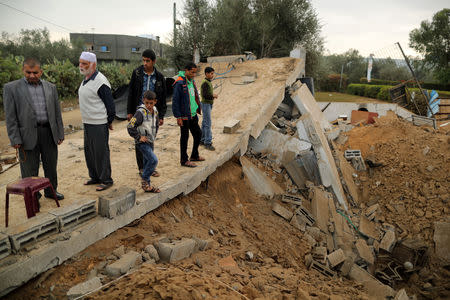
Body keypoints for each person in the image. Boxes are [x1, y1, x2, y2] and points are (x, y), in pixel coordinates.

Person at [3, 57, 65, 201]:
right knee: (29, 169)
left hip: (48, 133)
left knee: (51, 165)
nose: (31, 75)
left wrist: (60, 133)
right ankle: (32, 196)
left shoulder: (51, 87)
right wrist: (15, 138)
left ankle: (51, 191)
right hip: (26, 135)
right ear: (23, 70)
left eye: (35, 72)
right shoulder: (11, 88)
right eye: (28, 72)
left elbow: (57, 113)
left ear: (41, 72)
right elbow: (10, 117)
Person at [78, 51, 115, 191]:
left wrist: (109, 120)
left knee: (101, 152)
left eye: (84, 64)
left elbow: (110, 104)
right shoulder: (86, 78)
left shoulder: (101, 81)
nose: (81, 66)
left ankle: (106, 180)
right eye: (80, 63)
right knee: (90, 152)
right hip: (88, 123)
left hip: (99, 123)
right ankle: (94, 177)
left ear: (93, 65)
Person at [127, 49, 166, 177]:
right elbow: (131, 92)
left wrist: (162, 115)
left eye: (147, 61)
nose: (145, 63)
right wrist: (129, 112)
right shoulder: (137, 73)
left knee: (150, 139)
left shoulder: (159, 77)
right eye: (143, 60)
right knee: (139, 140)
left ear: (153, 61)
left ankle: (150, 167)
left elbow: (163, 96)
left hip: (152, 113)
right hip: (139, 112)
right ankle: (142, 168)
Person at [172, 62, 204, 167]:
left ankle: (194, 155)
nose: (193, 74)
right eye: (191, 72)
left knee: (198, 134)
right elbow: (175, 101)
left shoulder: (191, 81)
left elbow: (193, 96)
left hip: (193, 115)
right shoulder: (179, 83)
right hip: (185, 116)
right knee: (184, 138)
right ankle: (184, 160)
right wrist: (178, 117)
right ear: (186, 70)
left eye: (195, 72)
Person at [127, 90, 160, 193]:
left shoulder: (155, 110)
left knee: (147, 163)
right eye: (147, 103)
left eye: (151, 103)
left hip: (150, 141)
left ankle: (148, 186)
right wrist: (138, 137)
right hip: (142, 143)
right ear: (143, 101)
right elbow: (130, 126)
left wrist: (153, 136)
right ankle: (145, 179)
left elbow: (156, 123)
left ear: (155, 101)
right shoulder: (140, 113)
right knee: (153, 160)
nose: (149, 105)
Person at [200, 67, 218, 151]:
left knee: (204, 122)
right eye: (211, 73)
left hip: (208, 104)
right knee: (208, 123)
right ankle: (208, 142)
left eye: (212, 73)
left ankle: (202, 139)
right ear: (206, 74)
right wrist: (213, 96)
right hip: (206, 104)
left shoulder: (208, 82)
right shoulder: (205, 83)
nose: (212, 75)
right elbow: (204, 95)